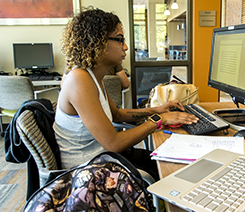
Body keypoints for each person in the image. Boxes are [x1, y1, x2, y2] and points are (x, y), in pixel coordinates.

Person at [54, 6, 198, 180]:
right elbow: (113, 143)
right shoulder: (79, 79)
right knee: (170, 171)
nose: (126, 47)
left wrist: (158, 109)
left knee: (169, 162)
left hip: (104, 160)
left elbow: (116, 114)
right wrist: (158, 120)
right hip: (88, 175)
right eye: (120, 40)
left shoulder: (94, 76)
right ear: (98, 42)